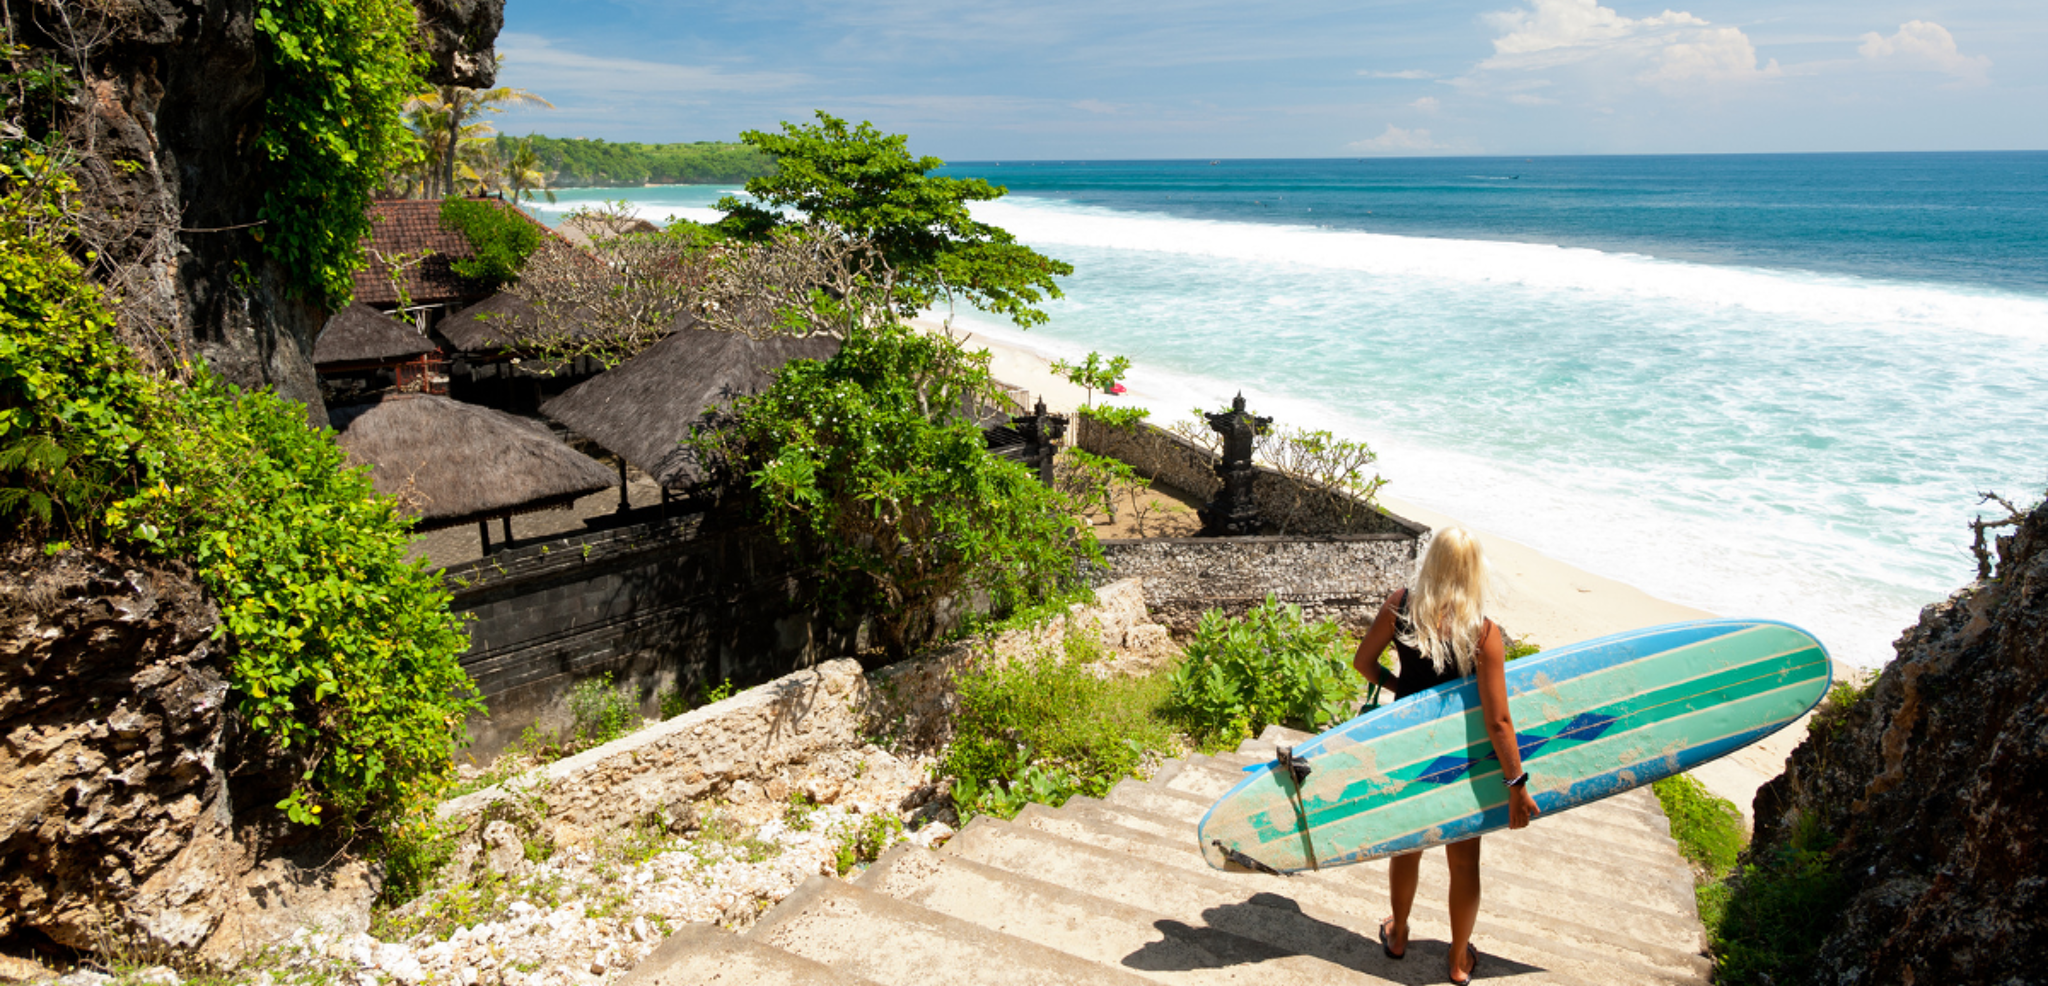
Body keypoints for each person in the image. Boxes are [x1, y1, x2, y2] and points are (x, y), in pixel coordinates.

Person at [1350, 526, 1539, 985]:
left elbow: (1364, 664)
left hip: (1407, 750)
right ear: (1474, 571)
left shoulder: (1400, 606)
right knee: (1463, 860)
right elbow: (1498, 721)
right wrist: (1517, 786)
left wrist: (1403, 691)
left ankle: (1398, 937)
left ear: (1430, 561)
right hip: (1462, 756)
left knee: (1407, 848)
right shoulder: (1483, 632)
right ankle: (1457, 961)